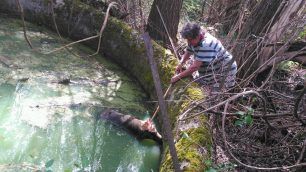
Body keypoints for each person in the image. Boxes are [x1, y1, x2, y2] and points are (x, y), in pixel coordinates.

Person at [171, 22, 237, 93]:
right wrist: (181, 62)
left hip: (225, 70)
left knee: (216, 94)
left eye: (190, 40)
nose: (188, 42)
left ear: (197, 36)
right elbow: (189, 50)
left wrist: (178, 77)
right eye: (187, 40)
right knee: (200, 85)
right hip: (212, 68)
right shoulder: (196, 37)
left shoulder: (206, 44)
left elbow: (194, 67)